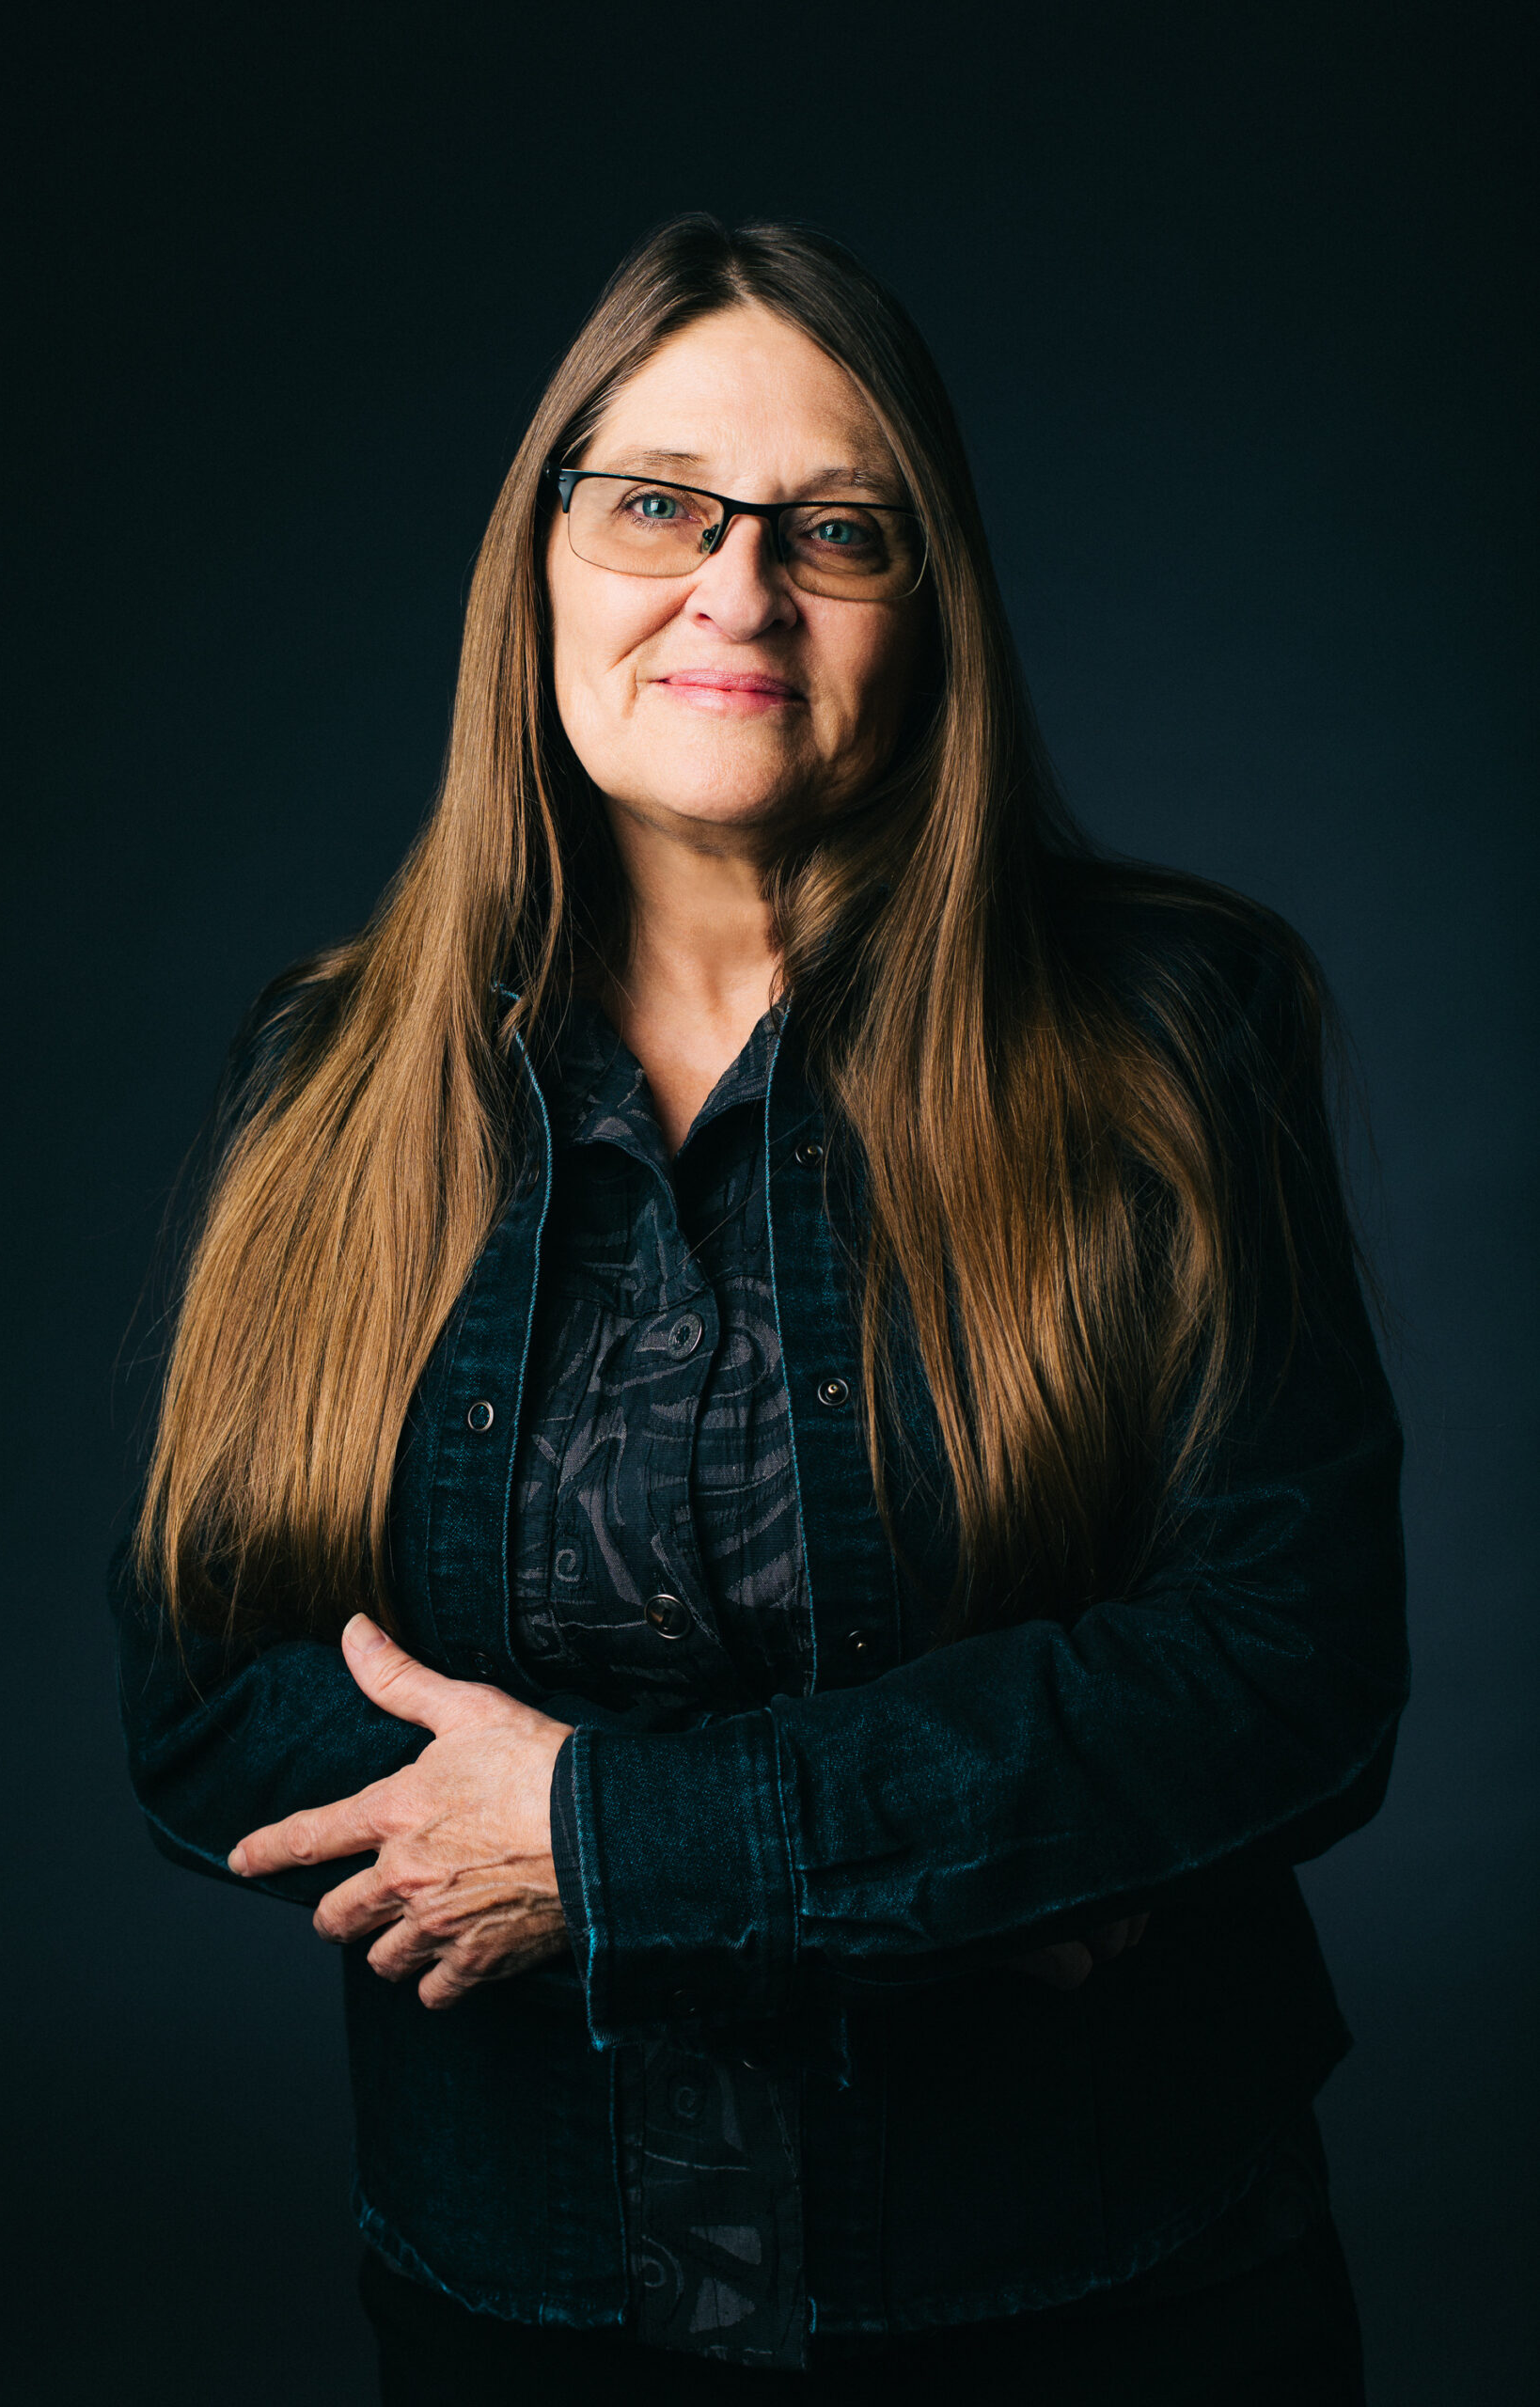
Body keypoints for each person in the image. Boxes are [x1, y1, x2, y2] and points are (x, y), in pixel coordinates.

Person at [111, 216, 1406, 2405]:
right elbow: (205, 1696)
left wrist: (609, 1851)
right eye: (653, 507)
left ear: (931, 610)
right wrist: (970, 1861)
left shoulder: (1170, 1029)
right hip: (517, 2298)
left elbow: (1283, 1674)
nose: (734, 591)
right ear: (535, 560)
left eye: (835, 529)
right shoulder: (323, 1071)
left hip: (1102, 2294)